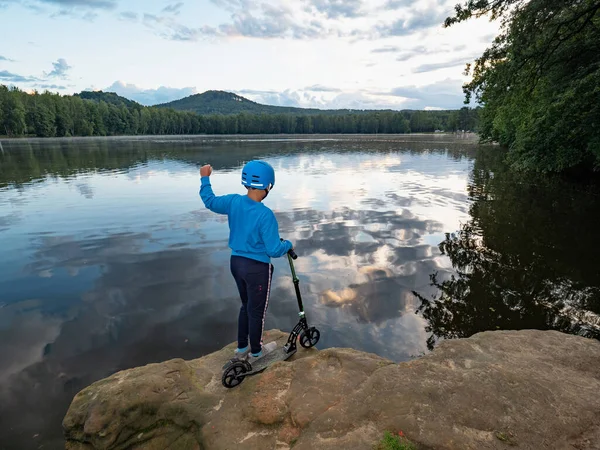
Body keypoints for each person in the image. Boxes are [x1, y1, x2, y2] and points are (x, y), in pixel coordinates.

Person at [199, 160, 293, 362]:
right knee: (257, 311)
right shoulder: (265, 215)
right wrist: (289, 245)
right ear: (268, 185)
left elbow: (209, 200)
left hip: (236, 264)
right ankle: (257, 353)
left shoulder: (233, 202)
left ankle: (242, 348)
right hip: (257, 269)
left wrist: (205, 177)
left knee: (246, 306)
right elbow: (274, 249)